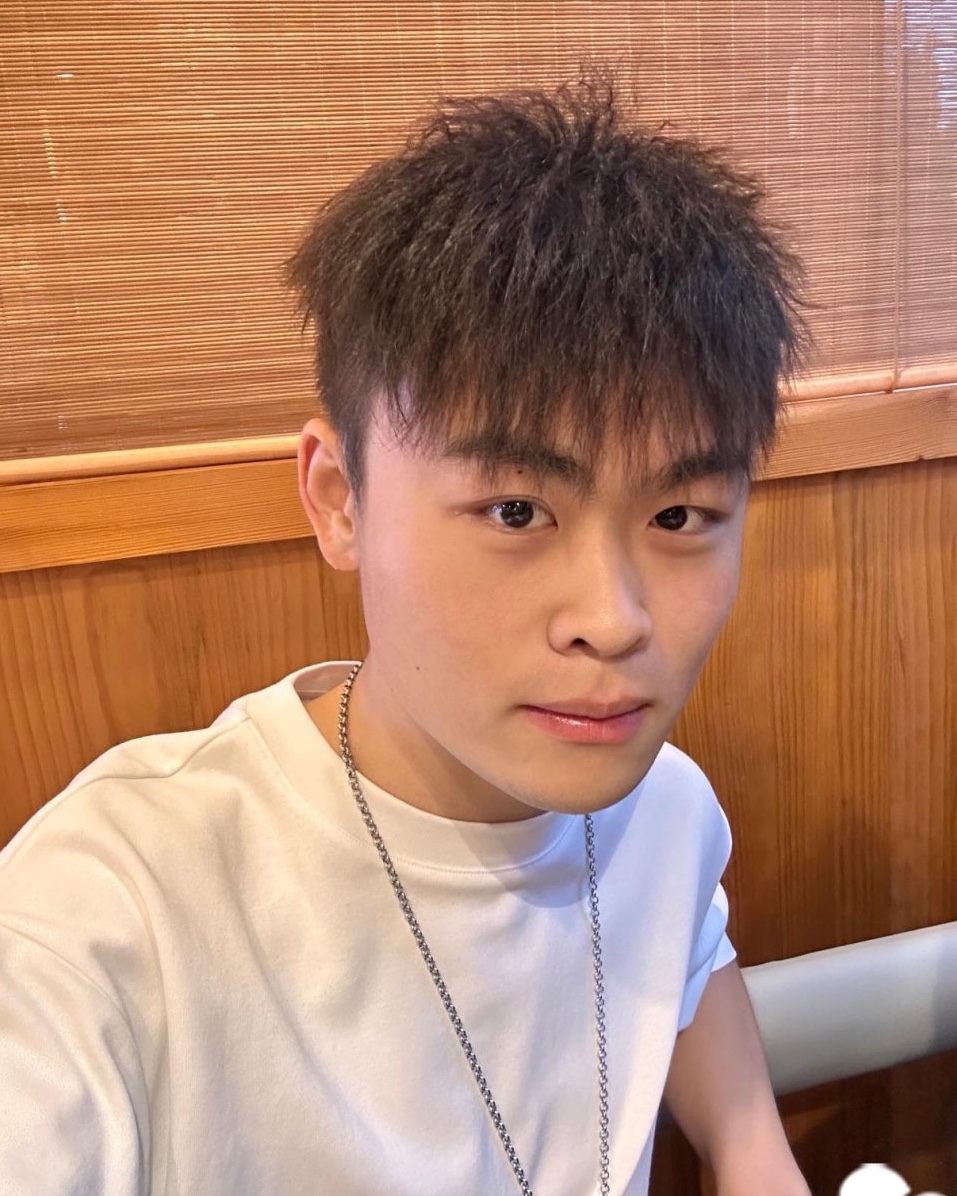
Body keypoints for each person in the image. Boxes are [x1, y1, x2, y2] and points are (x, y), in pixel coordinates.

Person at [0, 77, 811, 1195]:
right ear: (340, 500)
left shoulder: (663, 810)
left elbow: (701, 993)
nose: (614, 620)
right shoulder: (114, 902)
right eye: (516, 511)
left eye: (679, 517)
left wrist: (751, 1150)